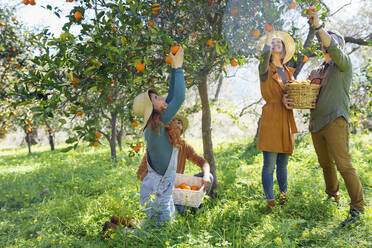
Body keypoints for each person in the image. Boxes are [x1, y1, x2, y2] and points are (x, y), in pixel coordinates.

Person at [306, 10, 364, 227]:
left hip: (335, 120)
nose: (324, 46)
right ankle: (332, 196)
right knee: (325, 164)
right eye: (323, 44)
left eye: (329, 43)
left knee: (343, 164)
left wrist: (319, 28)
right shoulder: (321, 69)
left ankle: (357, 207)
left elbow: (331, 46)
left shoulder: (343, 63)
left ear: (338, 46)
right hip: (316, 123)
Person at [132, 45, 185, 228]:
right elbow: (178, 98)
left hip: (161, 192)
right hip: (156, 195)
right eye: (155, 98)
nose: (161, 98)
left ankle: (118, 228)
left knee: (155, 232)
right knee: (156, 233)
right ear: (151, 108)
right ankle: (118, 231)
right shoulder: (156, 125)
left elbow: (171, 97)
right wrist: (177, 68)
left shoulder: (157, 122)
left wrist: (174, 67)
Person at [137, 115, 213, 215]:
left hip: (179, 189)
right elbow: (140, 174)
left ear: (181, 132)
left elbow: (203, 163)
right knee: (178, 212)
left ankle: (195, 207)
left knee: (210, 177)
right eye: (173, 120)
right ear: (167, 127)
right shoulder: (158, 146)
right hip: (164, 192)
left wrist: (206, 176)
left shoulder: (184, 146)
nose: (177, 122)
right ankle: (187, 212)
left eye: (179, 122)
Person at [257, 26, 298, 211]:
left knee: (283, 164)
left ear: (283, 48)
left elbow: (295, 93)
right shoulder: (265, 68)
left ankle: (283, 196)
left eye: (278, 42)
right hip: (272, 117)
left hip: (286, 117)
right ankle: (270, 200)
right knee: (270, 164)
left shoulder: (289, 71)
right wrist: (267, 39)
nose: (275, 44)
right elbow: (262, 61)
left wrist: (291, 101)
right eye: (272, 42)